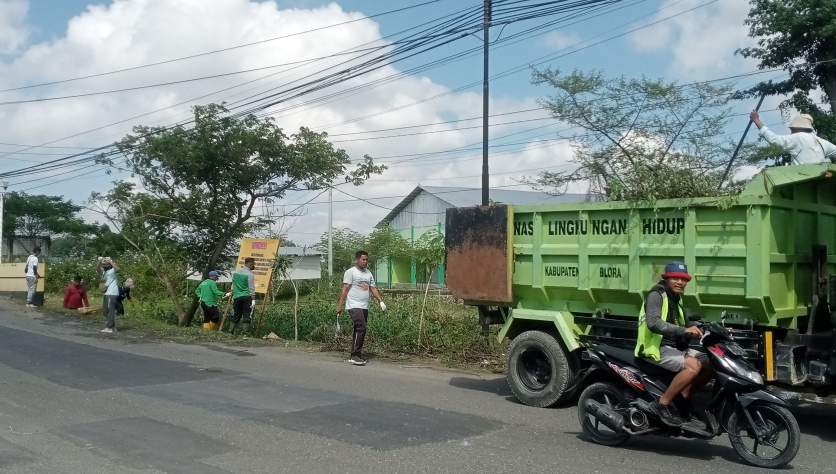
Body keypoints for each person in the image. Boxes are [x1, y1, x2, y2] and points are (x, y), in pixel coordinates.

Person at [635, 261, 713, 427]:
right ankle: (661, 405)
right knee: (693, 366)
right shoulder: (657, 294)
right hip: (655, 348)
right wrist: (683, 331)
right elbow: (653, 323)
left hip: (674, 347)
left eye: (683, 279)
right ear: (666, 279)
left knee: (711, 363)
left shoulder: (675, 298)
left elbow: (685, 322)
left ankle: (681, 399)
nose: (680, 282)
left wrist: (713, 328)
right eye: (675, 278)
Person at [336, 250, 386, 366]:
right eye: (363, 259)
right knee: (361, 327)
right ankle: (355, 355)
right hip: (353, 304)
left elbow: (373, 288)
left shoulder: (368, 273)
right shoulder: (350, 272)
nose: (365, 262)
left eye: (367, 260)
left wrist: (381, 301)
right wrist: (340, 305)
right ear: (357, 259)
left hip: (364, 306)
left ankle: (355, 355)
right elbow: (345, 289)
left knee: (358, 329)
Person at [750, 110, 836, 165]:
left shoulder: (798, 137)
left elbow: (774, 139)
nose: (791, 133)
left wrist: (756, 120)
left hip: (803, 179)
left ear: (798, 128)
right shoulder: (821, 141)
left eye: (792, 129)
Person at [228, 258, 256, 336]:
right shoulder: (250, 274)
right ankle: (245, 334)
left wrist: (233, 294)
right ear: (250, 264)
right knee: (247, 314)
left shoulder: (236, 272)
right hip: (247, 297)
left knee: (236, 314)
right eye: (253, 264)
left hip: (237, 297)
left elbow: (233, 283)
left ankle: (230, 332)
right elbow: (251, 288)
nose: (254, 266)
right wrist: (253, 299)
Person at [95, 257, 120, 333]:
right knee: (105, 311)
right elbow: (97, 269)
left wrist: (111, 261)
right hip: (107, 293)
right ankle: (112, 326)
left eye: (106, 264)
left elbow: (118, 269)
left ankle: (109, 327)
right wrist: (99, 261)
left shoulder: (113, 270)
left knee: (109, 310)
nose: (105, 265)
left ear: (109, 264)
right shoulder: (104, 271)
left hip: (112, 293)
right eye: (104, 264)